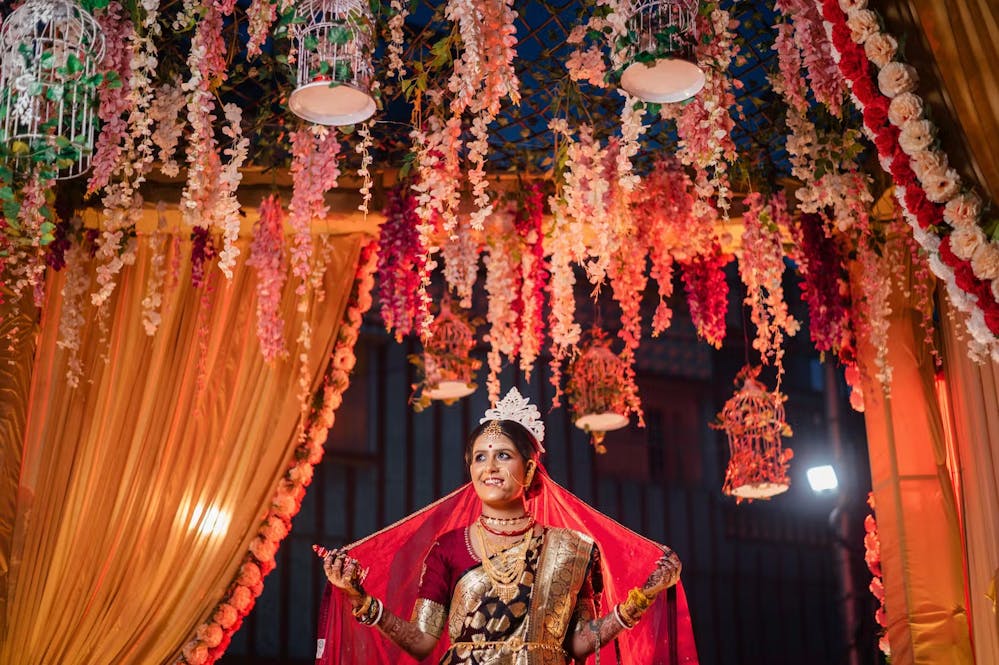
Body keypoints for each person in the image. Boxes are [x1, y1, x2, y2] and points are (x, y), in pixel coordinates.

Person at [316, 388, 698, 664]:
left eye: (503, 456)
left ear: (529, 468)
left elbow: (582, 642)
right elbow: (420, 641)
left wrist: (641, 598)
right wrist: (360, 600)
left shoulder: (574, 549)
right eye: (480, 457)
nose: (490, 467)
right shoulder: (447, 548)